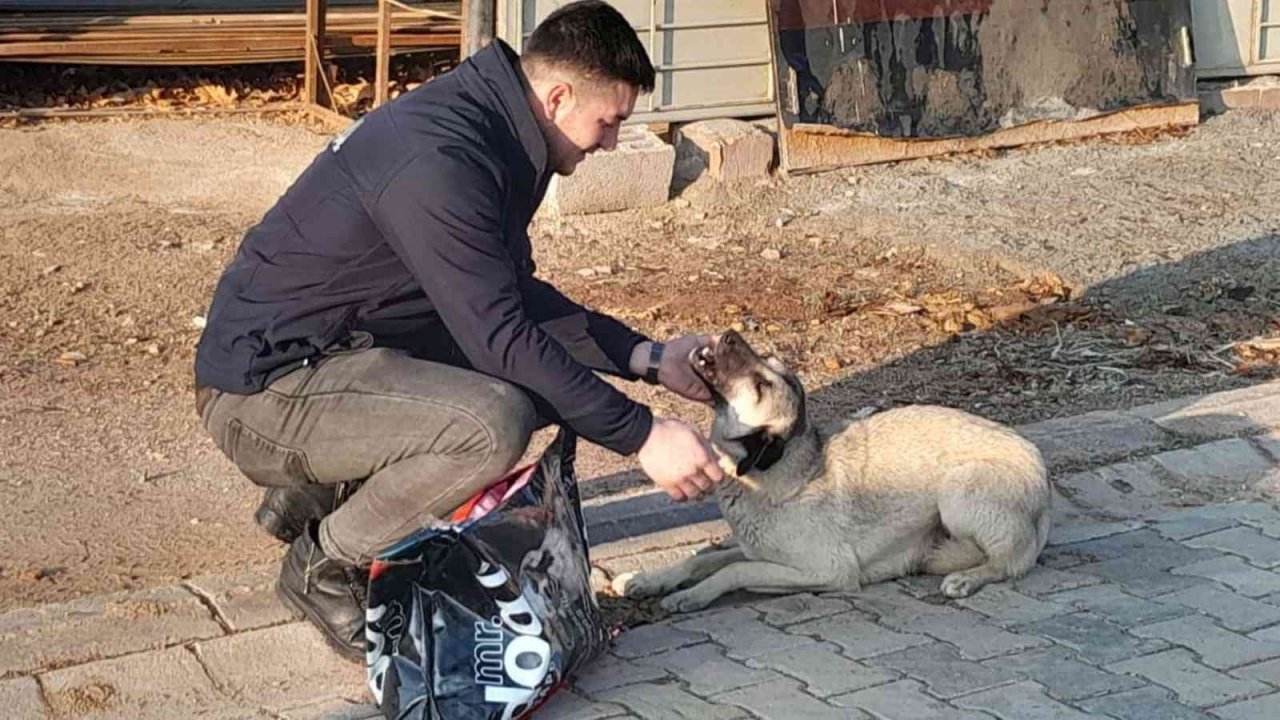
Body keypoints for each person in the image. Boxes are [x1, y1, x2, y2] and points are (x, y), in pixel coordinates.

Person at [191, 0, 725, 662]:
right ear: (559, 98)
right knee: (492, 422)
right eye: (609, 121)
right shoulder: (444, 157)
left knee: (527, 383)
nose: (612, 142)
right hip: (261, 395)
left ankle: (317, 491)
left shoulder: (495, 127)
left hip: (335, 359)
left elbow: (513, 298)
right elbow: (500, 337)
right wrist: (642, 435)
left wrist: (645, 356)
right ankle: (325, 564)